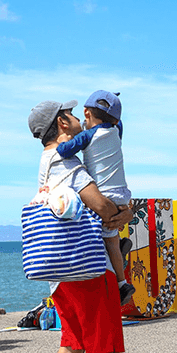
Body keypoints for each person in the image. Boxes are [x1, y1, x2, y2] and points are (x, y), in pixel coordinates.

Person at [30, 99, 142, 353]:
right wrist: (125, 214)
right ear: (63, 122)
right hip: (89, 269)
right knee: (100, 348)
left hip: (61, 274)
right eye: (72, 114)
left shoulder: (45, 163)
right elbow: (102, 207)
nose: (80, 118)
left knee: (72, 342)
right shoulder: (68, 162)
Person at [56, 91, 135, 305]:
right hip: (121, 195)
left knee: (106, 240)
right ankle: (122, 278)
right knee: (112, 238)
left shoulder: (87, 135)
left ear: (86, 113)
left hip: (102, 195)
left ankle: (119, 282)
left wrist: (65, 138)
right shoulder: (116, 131)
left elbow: (63, 151)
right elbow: (115, 121)